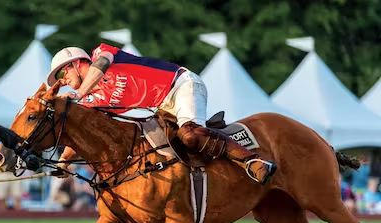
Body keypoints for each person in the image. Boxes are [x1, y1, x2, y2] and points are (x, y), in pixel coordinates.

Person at [47, 44, 277, 184]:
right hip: (162, 108)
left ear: (77, 63)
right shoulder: (92, 100)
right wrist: (63, 162)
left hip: (181, 85)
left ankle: (252, 161)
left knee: (190, 135)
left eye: (62, 74)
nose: (63, 81)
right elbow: (79, 131)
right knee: (148, 153)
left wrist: (78, 96)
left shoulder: (101, 53)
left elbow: (102, 65)